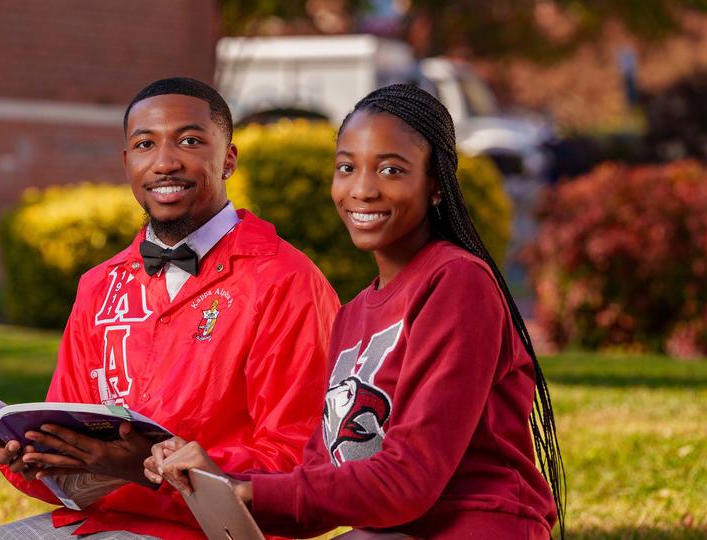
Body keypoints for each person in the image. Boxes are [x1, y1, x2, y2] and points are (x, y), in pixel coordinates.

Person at [146, 84, 567, 539]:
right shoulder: (352, 316)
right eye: (347, 167)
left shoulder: (457, 282)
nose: (362, 190)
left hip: (480, 525)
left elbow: (410, 480)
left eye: (391, 170)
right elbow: (318, 487)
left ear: (436, 186)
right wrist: (207, 478)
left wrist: (245, 488)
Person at [0, 77, 340, 539]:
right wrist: (29, 456)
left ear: (229, 158)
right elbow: (75, 472)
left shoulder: (284, 280)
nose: (165, 162)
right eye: (144, 144)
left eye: (190, 141)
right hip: (98, 525)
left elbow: (302, 465)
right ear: (127, 162)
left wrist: (159, 473)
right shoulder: (99, 286)